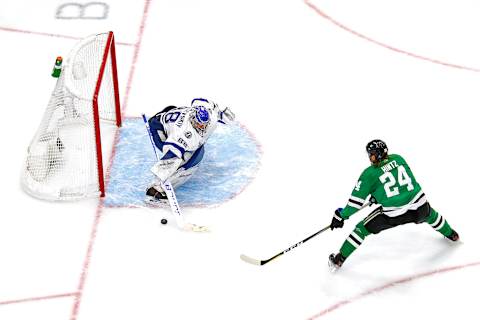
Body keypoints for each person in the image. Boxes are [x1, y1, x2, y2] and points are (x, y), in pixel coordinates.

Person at [328, 139, 459, 270]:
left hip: (394, 215)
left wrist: (341, 216)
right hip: (420, 207)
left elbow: (354, 204)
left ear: (378, 154)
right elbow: (404, 184)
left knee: (361, 229)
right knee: (431, 215)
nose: (370, 158)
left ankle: (339, 258)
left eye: (372, 154)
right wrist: (378, 194)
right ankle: (452, 234)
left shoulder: (368, 174)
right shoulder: (398, 158)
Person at [145, 98, 235, 204]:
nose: (201, 127)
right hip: (158, 129)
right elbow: (170, 157)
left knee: (194, 148)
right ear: (193, 119)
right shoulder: (184, 133)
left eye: (203, 124)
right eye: (199, 124)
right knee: (185, 159)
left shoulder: (209, 114)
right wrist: (160, 178)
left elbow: (198, 100)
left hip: (168, 113)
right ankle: (157, 188)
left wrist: (220, 114)